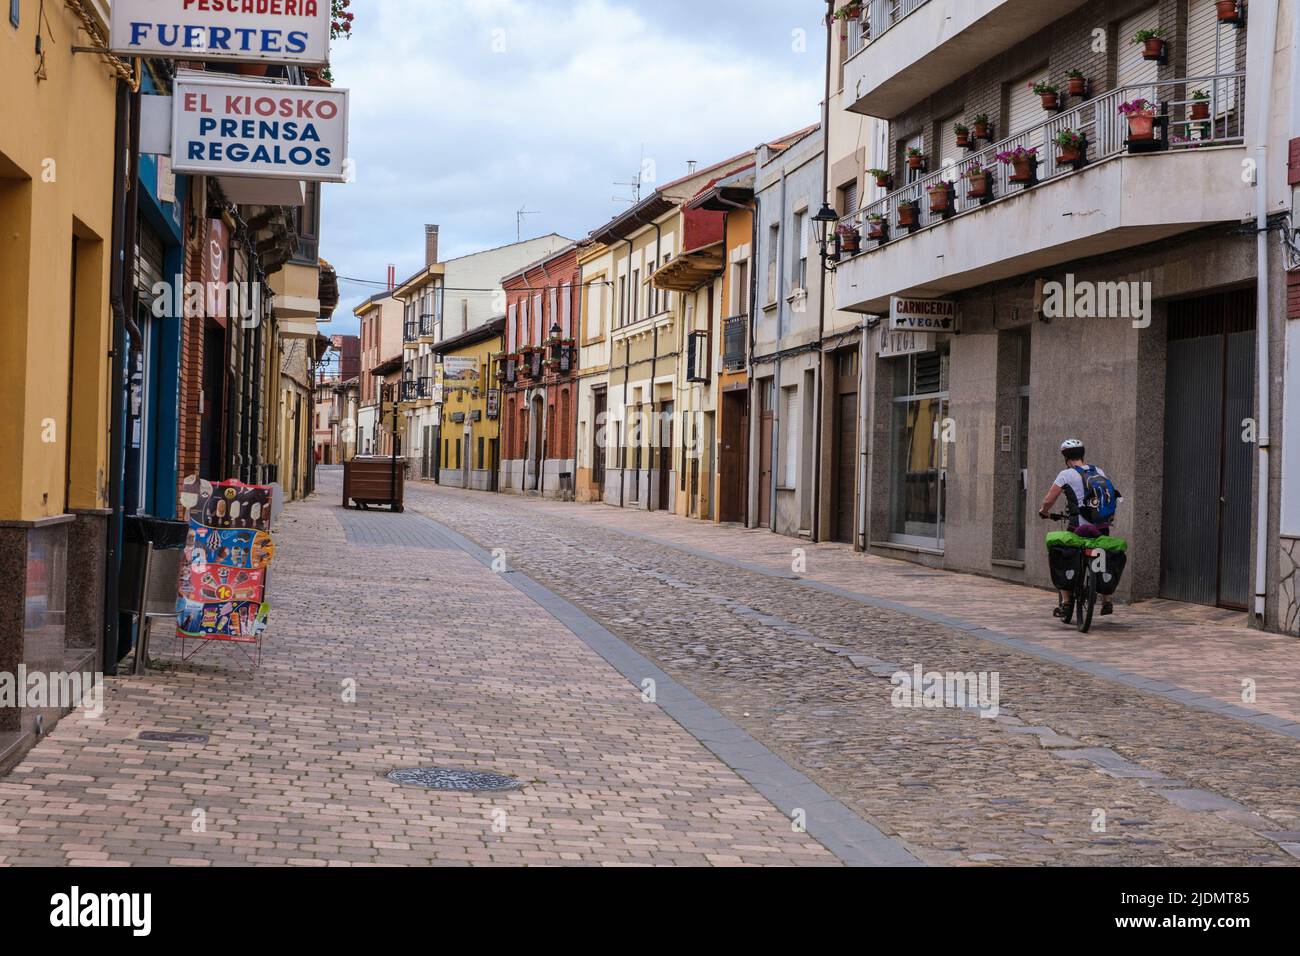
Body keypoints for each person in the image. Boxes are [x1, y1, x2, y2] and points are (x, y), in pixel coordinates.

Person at [1039, 439, 1122, 616]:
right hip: (1101, 526)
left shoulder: (1066, 474)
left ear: (1066, 458)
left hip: (1078, 527)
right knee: (1102, 554)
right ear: (1082, 455)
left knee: (1065, 555)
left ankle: (1067, 603)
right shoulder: (1098, 471)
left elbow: (1048, 500)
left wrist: (1044, 511)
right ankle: (1107, 600)